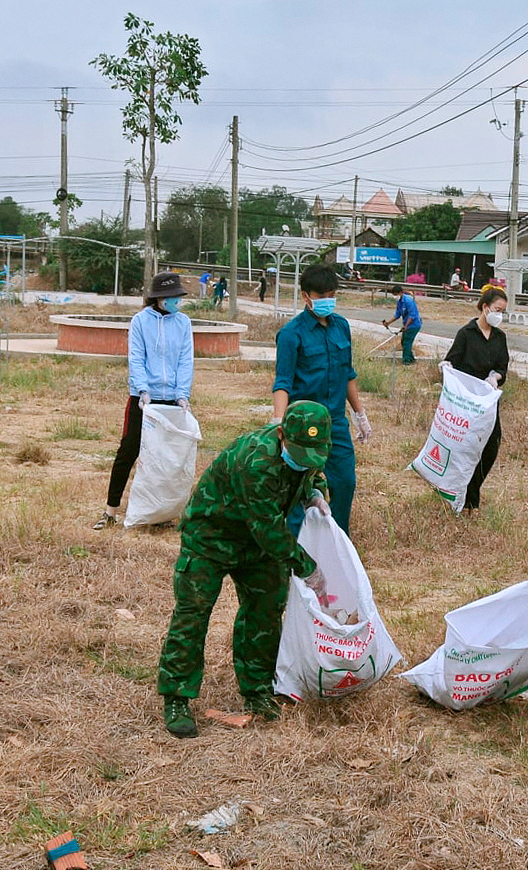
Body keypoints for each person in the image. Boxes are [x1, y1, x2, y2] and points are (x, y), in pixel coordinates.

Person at [157, 401, 332, 737]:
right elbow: (270, 533)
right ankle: (176, 696)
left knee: (266, 610)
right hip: (211, 537)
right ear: (281, 434)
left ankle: (258, 689)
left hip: (255, 544)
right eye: (298, 451)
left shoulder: (304, 448)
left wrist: (315, 492)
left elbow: (313, 470)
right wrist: (308, 568)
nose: (305, 458)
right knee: (193, 614)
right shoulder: (255, 462)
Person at [272, 263, 370, 536]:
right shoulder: (292, 334)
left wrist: (359, 414)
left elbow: (347, 373)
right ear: (306, 296)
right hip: (302, 425)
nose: (328, 300)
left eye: (332, 294)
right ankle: (292, 550)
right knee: (297, 488)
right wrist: (279, 424)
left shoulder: (342, 327)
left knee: (344, 483)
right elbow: (282, 383)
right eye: (321, 295)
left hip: (335, 423)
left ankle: (337, 542)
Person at [95, 272, 194, 530]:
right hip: (143, 400)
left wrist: (182, 394)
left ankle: (160, 514)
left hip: (172, 400)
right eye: (171, 297)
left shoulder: (183, 323)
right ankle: (111, 511)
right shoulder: (140, 322)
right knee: (128, 450)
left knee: (166, 458)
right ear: (158, 297)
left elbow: (185, 360)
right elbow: (136, 357)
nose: (176, 302)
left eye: (178, 297)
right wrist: (142, 390)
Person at [443, 288, 511, 512]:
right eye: (497, 310)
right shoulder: (466, 333)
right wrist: (446, 369)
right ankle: (461, 497)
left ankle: (472, 490)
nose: (499, 315)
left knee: (491, 446)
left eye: (503, 312)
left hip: (488, 401)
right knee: (465, 447)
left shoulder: (500, 338)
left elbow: (502, 367)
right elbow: (451, 361)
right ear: (485, 307)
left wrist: (496, 376)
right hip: (467, 402)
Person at [382, 284, 422, 365]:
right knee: (404, 342)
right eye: (394, 295)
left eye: (396, 294)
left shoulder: (408, 301)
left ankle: (406, 361)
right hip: (407, 325)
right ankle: (411, 359)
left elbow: (412, 315)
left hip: (413, 325)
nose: (395, 296)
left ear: (401, 293)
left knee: (407, 342)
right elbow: (397, 315)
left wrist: (406, 326)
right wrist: (388, 323)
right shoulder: (399, 302)